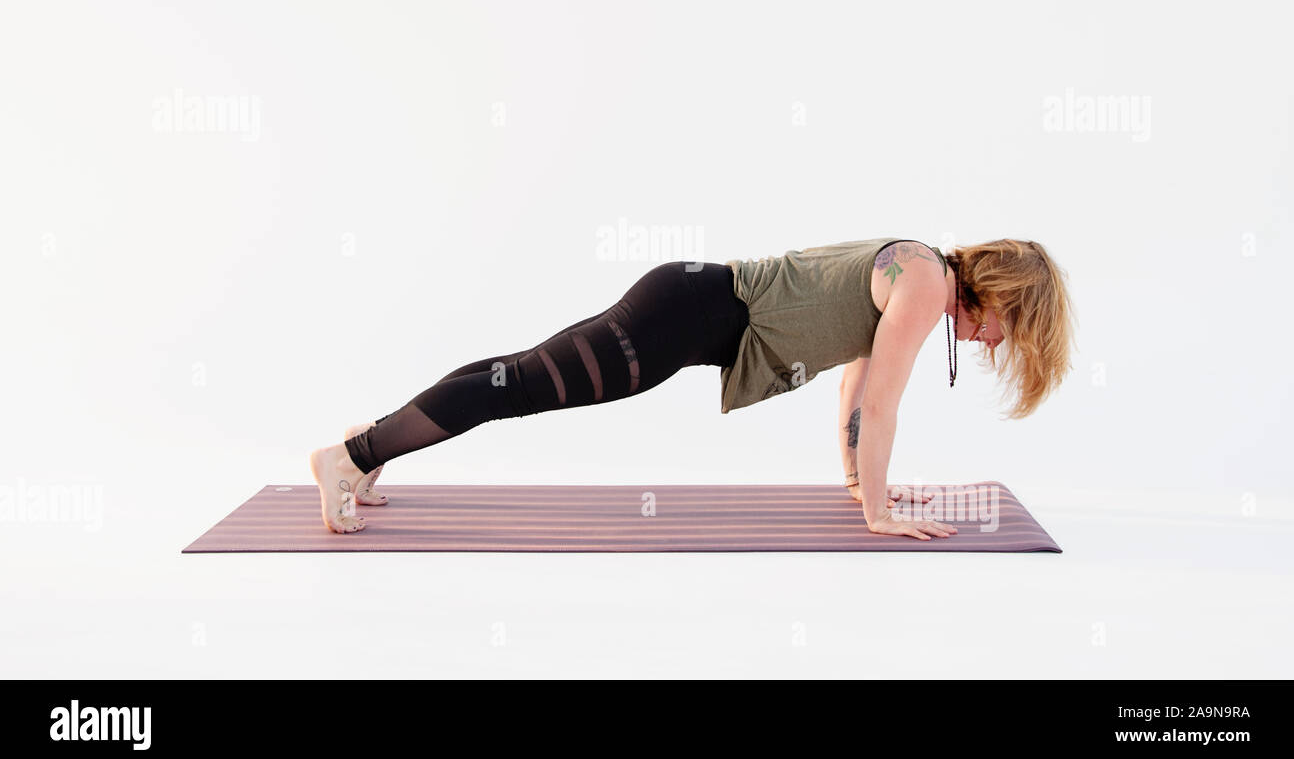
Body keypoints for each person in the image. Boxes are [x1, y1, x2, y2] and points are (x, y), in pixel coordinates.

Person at [309, 237, 1077, 541]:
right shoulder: (924, 282)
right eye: (1013, 327)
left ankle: (368, 449)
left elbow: (858, 375)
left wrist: (855, 482)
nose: (999, 343)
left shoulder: (921, 271)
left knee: (519, 372)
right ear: (1003, 295)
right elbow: (882, 403)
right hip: (682, 315)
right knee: (523, 384)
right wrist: (877, 511)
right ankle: (348, 454)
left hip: (687, 306)